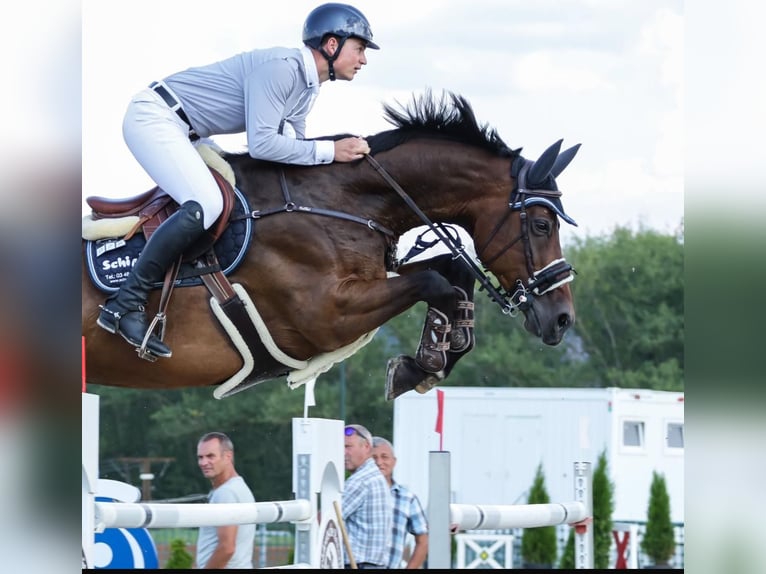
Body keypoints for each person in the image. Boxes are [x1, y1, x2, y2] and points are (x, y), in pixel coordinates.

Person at [97, 3, 379, 358]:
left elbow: (291, 149)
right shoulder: (283, 69)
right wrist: (331, 151)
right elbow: (263, 145)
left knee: (235, 195)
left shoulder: (308, 88)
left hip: (190, 131)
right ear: (333, 44)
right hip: (155, 119)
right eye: (360, 48)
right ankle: (125, 303)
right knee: (208, 204)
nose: (364, 60)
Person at [195, 432, 256, 569]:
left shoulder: (226, 493)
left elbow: (227, 548)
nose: (203, 462)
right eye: (200, 457)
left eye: (210, 456)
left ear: (228, 456)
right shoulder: (238, 487)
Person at [371, 436, 429, 569]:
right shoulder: (358, 492)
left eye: (384, 457)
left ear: (394, 461)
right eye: (373, 458)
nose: (379, 462)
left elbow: (423, 541)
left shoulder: (407, 498)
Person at [342, 423, 393, 568]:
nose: (343, 452)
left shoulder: (359, 481)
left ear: (366, 447)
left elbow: (327, 519)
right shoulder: (375, 476)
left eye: (348, 447)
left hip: (358, 564)